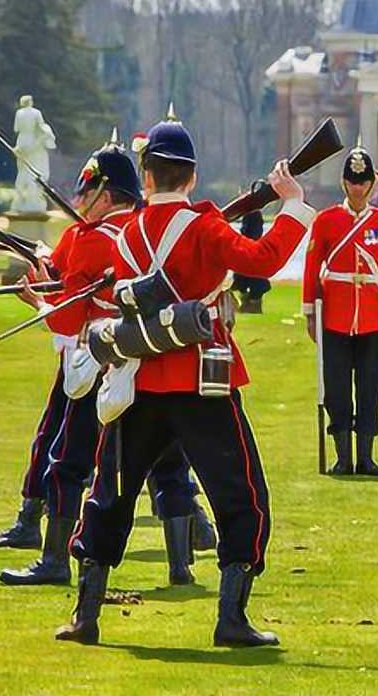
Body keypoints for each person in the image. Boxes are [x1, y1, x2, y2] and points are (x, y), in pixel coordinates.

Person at [57, 110, 313, 647]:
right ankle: (232, 618)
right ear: (192, 177)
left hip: (141, 378)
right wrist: (291, 203)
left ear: (145, 177)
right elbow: (263, 261)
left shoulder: (125, 235)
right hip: (202, 380)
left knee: (110, 494)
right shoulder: (204, 227)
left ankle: (86, 614)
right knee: (239, 494)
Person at [0, 132, 208, 588]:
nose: (80, 197)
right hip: (155, 362)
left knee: (68, 461)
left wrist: (39, 302)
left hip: (101, 358)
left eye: (87, 188)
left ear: (105, 193)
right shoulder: (145, 231)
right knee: (168, 464)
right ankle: (180, 567)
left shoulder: (89, 239)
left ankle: (55, 560)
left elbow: (67, 322)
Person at [302, 142, 378, 477]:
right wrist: (309, 311)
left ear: (371, 185)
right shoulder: (326, 220)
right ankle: (342, 456)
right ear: (344, 183)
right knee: (336, 389)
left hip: (372, 317)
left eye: (363, 182)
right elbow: (311, 267)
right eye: (352, 181)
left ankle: (365, 455)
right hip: (335, 314)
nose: (358, 187)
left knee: (369, 387)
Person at [232, 208, 272, 313]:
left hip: (250, 248)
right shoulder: (253, 215)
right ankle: (249, 303)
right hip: (250, 248)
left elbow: (250, 232)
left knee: (250, 278)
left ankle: (251, 304)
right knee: (248, 278)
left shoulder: (252, 215)